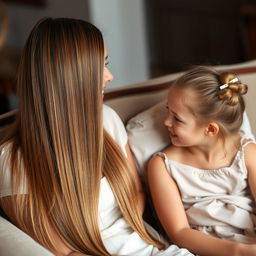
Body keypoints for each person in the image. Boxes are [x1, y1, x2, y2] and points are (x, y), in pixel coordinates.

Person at [0, 17, 193, 256]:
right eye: (98, 67)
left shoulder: (106, 119)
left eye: (106, 63)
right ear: (70, 77)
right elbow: (63, 252)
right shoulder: (12, 162)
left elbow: (135, 193)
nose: (109, 76)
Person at [147, 65, 256, 256]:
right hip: (205, 249)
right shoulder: (162, 166)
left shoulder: (246, 152)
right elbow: (179, 232)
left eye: (177, 119)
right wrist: (239, 251)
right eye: (167, 111)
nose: (166, 122)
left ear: (211, 130)